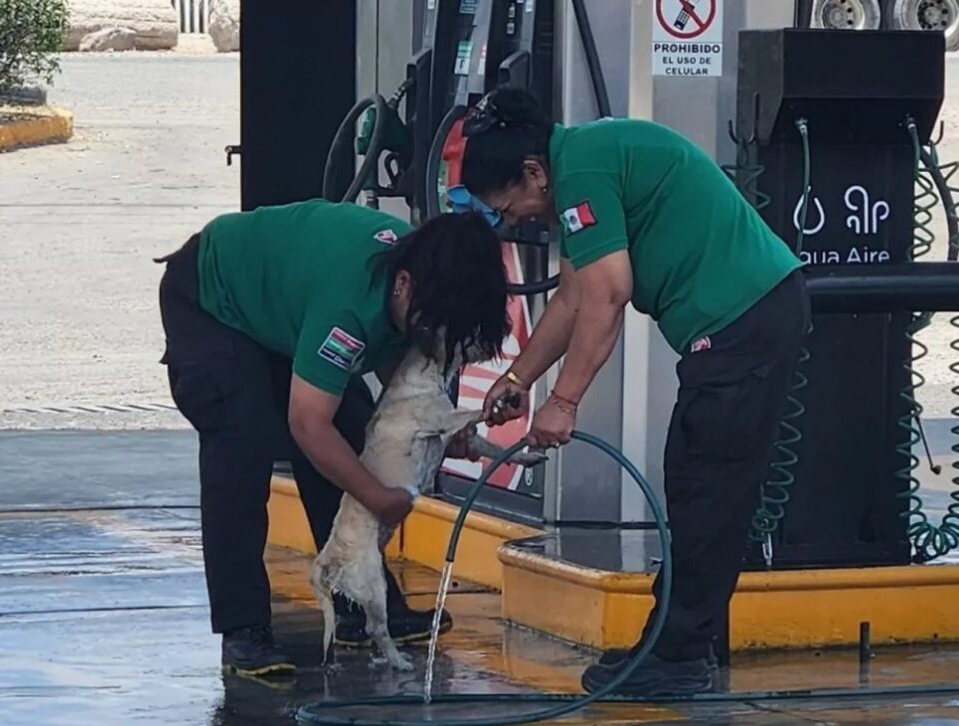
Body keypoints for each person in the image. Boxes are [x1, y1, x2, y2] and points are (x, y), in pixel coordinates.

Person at [459, 87, 811, 696]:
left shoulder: (587, 167)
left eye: (505, 204)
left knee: (705, 489)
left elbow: (607, 294)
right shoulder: (581, 168)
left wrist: (564, 403)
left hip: (743, 320)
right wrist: (519, 380)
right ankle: (680, 644)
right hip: (742, 321)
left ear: (534, 172)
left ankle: (677, 657)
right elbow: (571, 296)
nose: (508, 220)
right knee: (698, 484)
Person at [156, 200, 510, 676]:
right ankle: (243, 631)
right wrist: (378, 498)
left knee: (353, 430)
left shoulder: (423, 278)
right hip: (213, 298)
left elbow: (400, 388)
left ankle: (357, 607)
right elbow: (307, 423)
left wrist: (445, 431)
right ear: (403, 286)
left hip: (284, 310)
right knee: (242, 444)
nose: (432, 340)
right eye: (430, 328)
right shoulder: (349, 306)